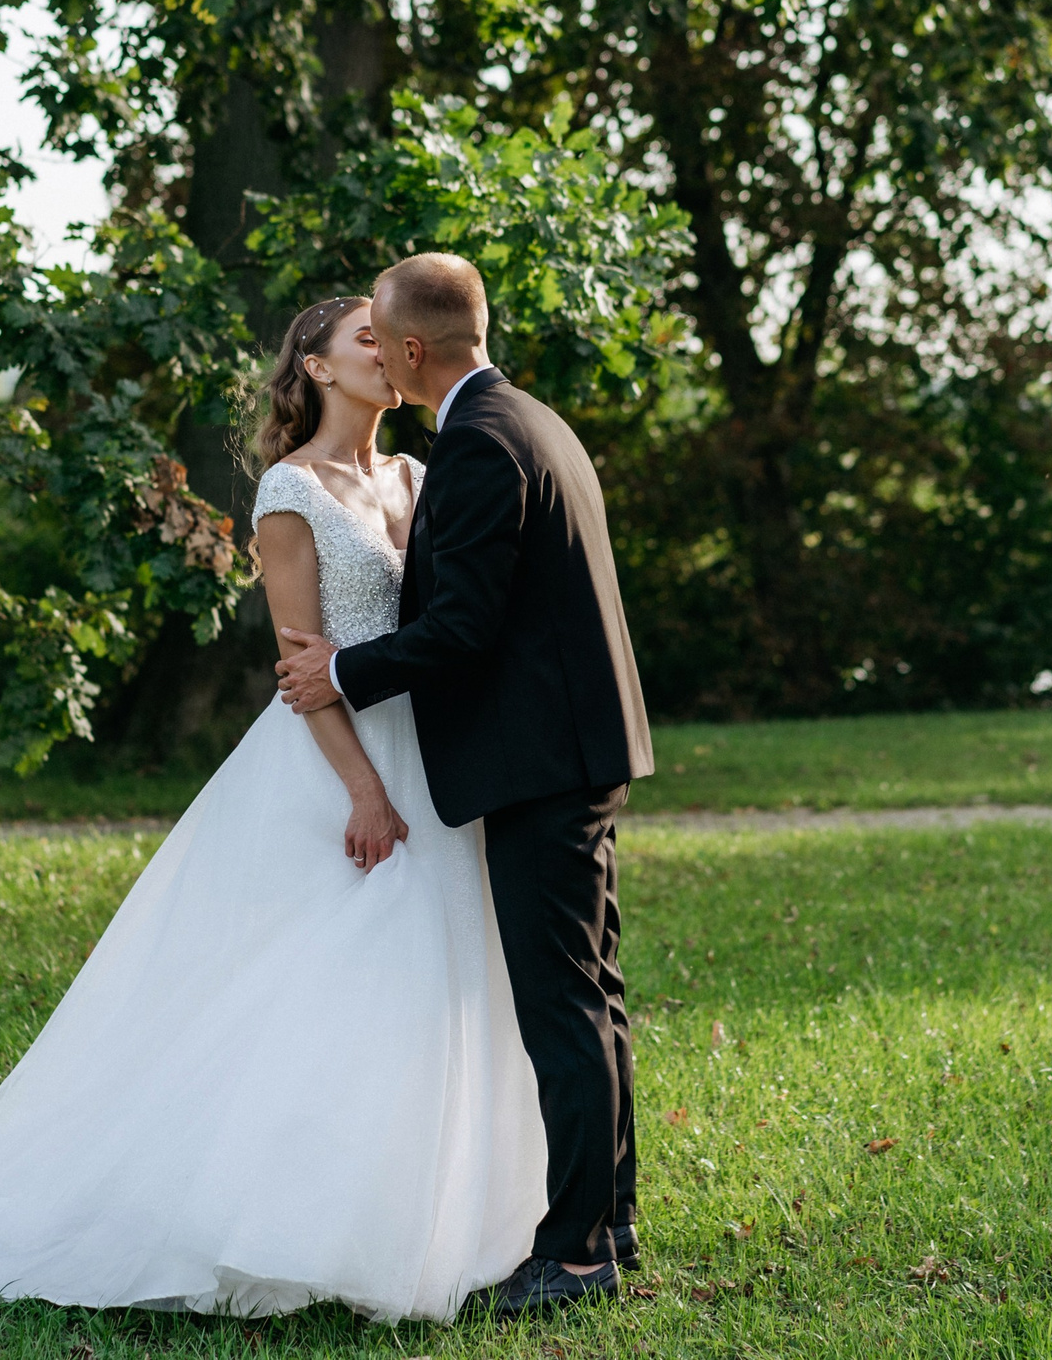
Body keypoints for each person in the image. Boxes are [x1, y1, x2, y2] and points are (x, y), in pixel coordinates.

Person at [0, 294, 546, 1323]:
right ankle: (276, 1219)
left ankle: (428, 1212)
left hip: (434, 758)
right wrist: (363, 788)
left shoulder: (417, 474)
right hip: (337, 764)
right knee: (323, 980)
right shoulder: (289, 490)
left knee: (430, 978)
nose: (386, 349)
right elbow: (299, 664)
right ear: (315, 367)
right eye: (363, 337)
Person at [276, 252, 655, 1316]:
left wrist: (340, 667)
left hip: (542, 760)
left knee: (563, 1004)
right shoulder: (524, 417)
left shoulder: (481, 443)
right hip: (568, 748)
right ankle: (608, 1217)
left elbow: (463, 628)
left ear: (406, 350)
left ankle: (578, 1248)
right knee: (590, 995)